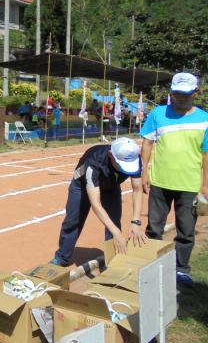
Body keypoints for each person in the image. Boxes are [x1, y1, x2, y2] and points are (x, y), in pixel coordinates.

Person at [141, 73, 208, 286]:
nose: (181, 97)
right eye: (177, 93)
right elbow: (147, 143)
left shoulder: (205, 119)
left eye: (186, 93)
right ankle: (152, 265)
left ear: (196, 93)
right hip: (160, 182)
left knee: (186, 231)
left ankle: (181, 269)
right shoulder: (158, 113)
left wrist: (205, 184)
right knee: (154, 228)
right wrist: (144, 173)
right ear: (172, 92)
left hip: (189, 184)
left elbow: (206, 154)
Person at [51, 138, 147, 267]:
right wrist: (117, 233)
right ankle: (62, 257)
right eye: (121, 164)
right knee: (73, 221)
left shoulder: (133, 158)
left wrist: (136, 221)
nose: (125, 170)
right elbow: (95, 204)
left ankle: (112, 261)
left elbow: (137, 189)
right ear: (111, 155)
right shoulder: (93, 163)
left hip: (111, 185)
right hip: (82, 183)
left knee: (113, 222)